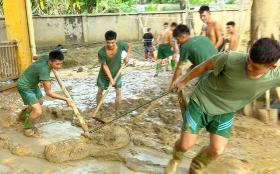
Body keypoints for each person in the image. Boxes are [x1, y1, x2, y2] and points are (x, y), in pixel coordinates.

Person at [165, 38, 280, 174]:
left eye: (255, 67)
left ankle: (197, 166)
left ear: (272, 67)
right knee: (186, 144)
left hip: (226, 111)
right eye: (248, 60)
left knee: (217, 149)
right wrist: (182, 82)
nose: (249, 67)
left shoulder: (275, 76)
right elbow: (203, 67)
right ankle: (175, 159)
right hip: (202, 101)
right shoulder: (229, 58)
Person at [17, 50, 73, 137]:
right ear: (50, 61)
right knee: (38, 111)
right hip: (24, 86)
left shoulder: (46, 57)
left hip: (32, 83)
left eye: (61, 63)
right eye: (57, 64)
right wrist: (65, 99)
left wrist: (52, 66)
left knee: (40, 102)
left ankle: (24, 115)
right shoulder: (44, 71)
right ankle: (27, 127)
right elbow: (49, 92)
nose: (60, 66)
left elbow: (34, 57)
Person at [96, 30, 132, 113]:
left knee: (118, 92)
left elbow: (130, 45)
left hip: (117, 72)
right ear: (105, 41)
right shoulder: (101, 52)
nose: (110, 45)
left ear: (115, 40)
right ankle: (99, 110)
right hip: (104, 75)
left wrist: (127, 56)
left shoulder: (121, 45)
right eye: (108, 43)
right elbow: (104, 65)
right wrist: (110, 78)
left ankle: (117, 111)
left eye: (112, 42)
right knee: (100, 91)